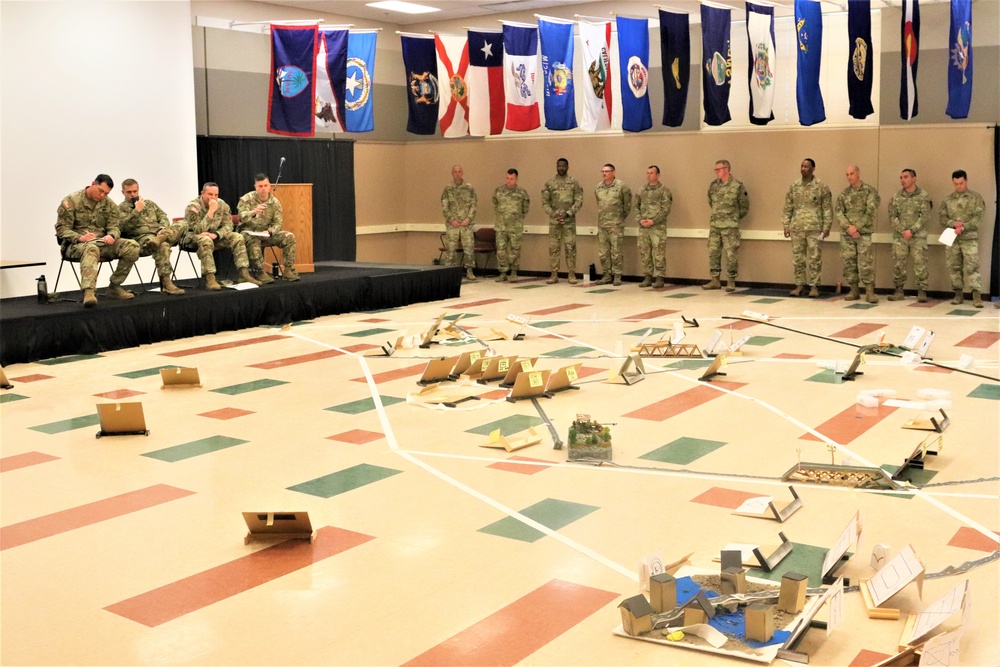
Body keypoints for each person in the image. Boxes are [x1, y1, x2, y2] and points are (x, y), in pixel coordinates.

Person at [55, 174, 140, 308]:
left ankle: (115, 286)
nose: (102, 195)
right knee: (91, 248)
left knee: (132, 246)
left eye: (106, 193)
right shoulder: (72, 201)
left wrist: (111, 235)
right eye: (101, 191)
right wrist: (79, 237)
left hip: (101, 242)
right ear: (93, 184)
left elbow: (115, 226)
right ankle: (89, 292)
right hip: (76, 245)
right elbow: (61, 229)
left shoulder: (109, 204)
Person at [181, 182, 260, 290]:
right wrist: (211, 211)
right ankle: (210, 278)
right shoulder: (193, 207)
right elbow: (198, 230)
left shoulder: (222, 204)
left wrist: (216, 234)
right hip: (193, 238)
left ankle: (244, 274)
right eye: (210, 194)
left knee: (237, 237)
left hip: (214, 236)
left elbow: (228, 225)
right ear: (202, 193)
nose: (213, 198)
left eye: (216, 195)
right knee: (205, 239)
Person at [118, 178, 187, 295]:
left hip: (159, 235)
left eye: (135, 191)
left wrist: (162, 228)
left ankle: (160, 238)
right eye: (129, 192)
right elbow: (123, 228)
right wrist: (136, 211)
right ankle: (166, 283)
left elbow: (163, 216)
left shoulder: (149, 204)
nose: (133, 194)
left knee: (183, 223)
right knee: (163, 246)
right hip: (142, 240)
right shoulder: (120, 209)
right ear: (123, 192)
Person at [782, 158, 834, 297]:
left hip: (814, 228)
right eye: (802, 166)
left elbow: (827, 209)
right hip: (797, 227)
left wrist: (826, 227)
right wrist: (786, 225)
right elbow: (788, 207)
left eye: (806, 167)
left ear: (813, 169)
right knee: (798, 258)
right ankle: (799, 285)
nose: (803, 169)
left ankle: (814, 287)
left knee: (815, 258)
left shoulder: (821, 186)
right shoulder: (794, 186)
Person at [237, 173, 299, 282]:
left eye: (265, 185)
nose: (263, 189)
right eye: (260, 186)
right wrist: (254, 212)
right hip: (248, 232)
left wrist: (270, 231)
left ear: (269, 186)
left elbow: (278, 223)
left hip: (266, 233)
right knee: (253, 240)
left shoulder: (275, 203)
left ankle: (288, 270)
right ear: (255, 187)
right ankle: (260, 272)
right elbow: (241, 217)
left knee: (289, 237)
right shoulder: (246, 199)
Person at [939, 169, 985, 308]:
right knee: (954, 267)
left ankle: (976, 296)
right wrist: (953, 224)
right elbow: (942, 218)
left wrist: (963, 227)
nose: (959, 186)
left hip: (969, 238)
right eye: (956, 184)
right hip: (953, 238)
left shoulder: (976, 198)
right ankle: (958, 294)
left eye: (961, 183)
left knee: (972, 267)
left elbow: (978, 218)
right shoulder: (947, 200)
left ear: (966, 180)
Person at [835, 165, 881, 304]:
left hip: (863, 234)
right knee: (849, 263)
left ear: (859, 174)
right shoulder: (844, 194)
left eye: (852, 174)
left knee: (865, 263)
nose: (849, 177)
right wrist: (849, 227)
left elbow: (870, 212)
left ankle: (869, 292)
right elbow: (839, 212)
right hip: (847, 234)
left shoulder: (869, 191)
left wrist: (857, 228)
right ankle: (854, 290)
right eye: (847, 174)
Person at [887, 169, 932, 303]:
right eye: (901, 177)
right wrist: (902, 230)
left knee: (920, 264)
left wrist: (911, 230)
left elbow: (924, 217)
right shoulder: (896, 197)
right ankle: (899, 290)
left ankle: (922, 291)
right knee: (899, 264)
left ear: (914, 178)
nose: (903, 180)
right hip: (900, 237)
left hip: (917, 237)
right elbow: (892, 216)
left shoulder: (923, 196)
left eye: (906, 177)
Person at [704, 160, 749, 292]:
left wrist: (733, 217)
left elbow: (744, 206)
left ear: (727, 170)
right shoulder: (713, 185)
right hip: (715, 226)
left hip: (730, 227)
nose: (716, 172)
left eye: (718, 169)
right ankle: (715, 280)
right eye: (715, 170)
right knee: (713, 253)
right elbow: (711, 202)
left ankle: (731, 281)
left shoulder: (737, 186)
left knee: (731, 254)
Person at [541, 158, 583, 284]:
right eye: (559, 166)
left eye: (563, 166)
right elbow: (545, 202)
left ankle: (571, 274)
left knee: (570, 247)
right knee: (554, 248)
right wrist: (553, 214)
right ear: (556, 166)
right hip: (555, 221)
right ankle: (554, 274)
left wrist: (568, 213)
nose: (561, 168)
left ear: (568, 167)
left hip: (569, 222)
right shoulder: (550, 183)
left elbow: (579, 201)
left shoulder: (574, 183)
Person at [594, 163, 632, 286]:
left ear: (613, 172)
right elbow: (599, 203)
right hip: (602, 224)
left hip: (616, 225)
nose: (604, 173)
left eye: (607, 171)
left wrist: (619, 219)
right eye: (603, 171)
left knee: (616, 251)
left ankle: (617, 276)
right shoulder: (598, 187)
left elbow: (627, 206)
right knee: (603, 252)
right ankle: (606, 275)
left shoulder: (622, 186)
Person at [635, 165, 672, 288]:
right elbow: (636, 206)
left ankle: (660, 277)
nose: (648, 175)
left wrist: (653, 221)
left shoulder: (664, 190)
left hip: (658, 227)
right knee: (644, 252)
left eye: (651, 173)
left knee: (659, 252)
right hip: (643, 227)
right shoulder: (641, 190)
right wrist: (640, 220)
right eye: (647, 173)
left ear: (658, 175)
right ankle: (647, 276)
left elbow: (665, 209)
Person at [492, 168, 530, 282]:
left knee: (515, 250)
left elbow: (525, 208)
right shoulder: (498, 191)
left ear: (516, 178)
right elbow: (495, 205)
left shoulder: (522, 193)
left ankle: (514, 272)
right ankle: (503, 272)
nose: (509, 181)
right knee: (501, 250)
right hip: (501, 226)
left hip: (515, 227)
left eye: (511, 179)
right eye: (507, 178)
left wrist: (517, 219)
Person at [440, 164, 477, 281]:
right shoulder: (447, 189)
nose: (457, 174)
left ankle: (469, 271)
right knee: (451, 249)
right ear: (452, 173)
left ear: (462, 172)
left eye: (459, 171)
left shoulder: (469, 188)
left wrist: (468, 219)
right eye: (455, 172)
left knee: (469, 248)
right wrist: (452, 220)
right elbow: (445, 207)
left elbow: (474, 206)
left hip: (466, 224)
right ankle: (449, 272)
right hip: (453, 224)